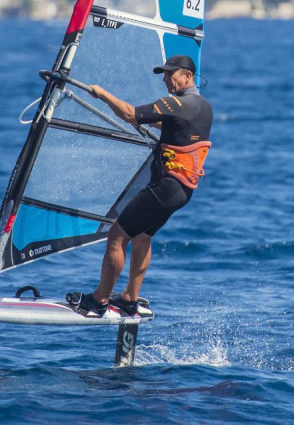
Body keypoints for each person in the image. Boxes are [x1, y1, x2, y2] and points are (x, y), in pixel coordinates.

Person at [66, 54, 212, 317]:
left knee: (117, 235)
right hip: (182, 191)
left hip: (165, 187)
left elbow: (131, 115)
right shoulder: (202, 108)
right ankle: (129, 298)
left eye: (170, 74)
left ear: (187, 76)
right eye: (164, 75)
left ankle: (99, 300)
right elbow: (167, 123)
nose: (166, 79)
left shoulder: (178, 103)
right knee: (143, 236)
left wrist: (102, 94)